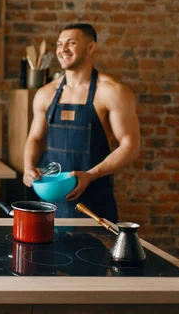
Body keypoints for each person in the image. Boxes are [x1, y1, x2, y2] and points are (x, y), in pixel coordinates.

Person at [22, 23, 140, 223]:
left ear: (91, 48)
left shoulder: (112, 91)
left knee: (93, 254)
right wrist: (28, 167)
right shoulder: (45, 94)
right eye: (59, 44)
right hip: (49, 202)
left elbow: (130, 145)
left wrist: (91, 175)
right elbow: (34, 138)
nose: (62, 50)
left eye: (71, 43)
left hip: (94, 200)